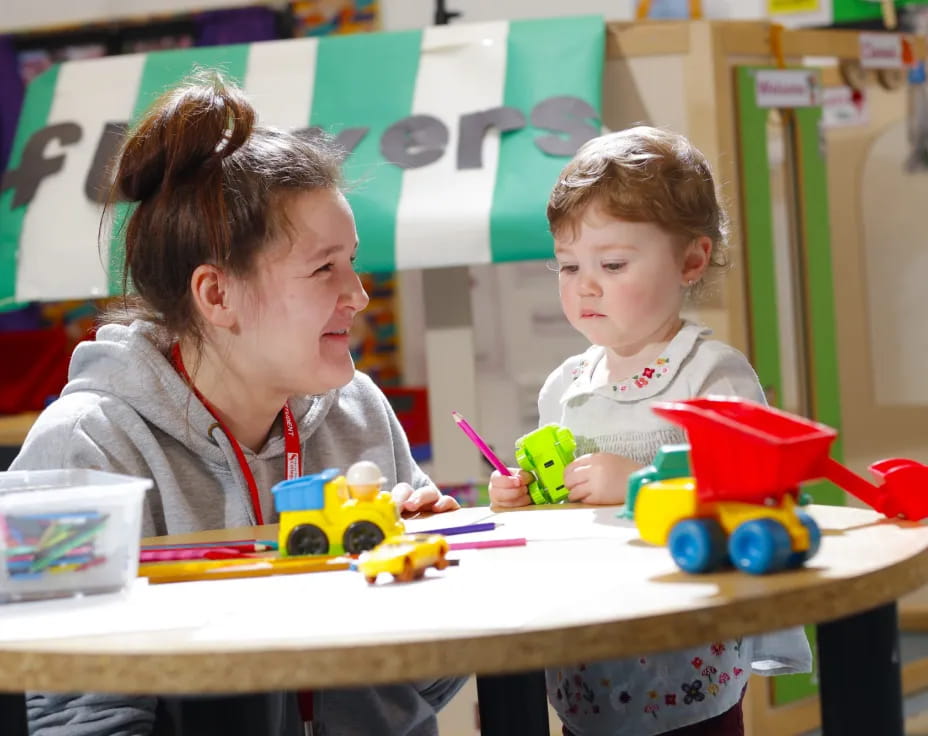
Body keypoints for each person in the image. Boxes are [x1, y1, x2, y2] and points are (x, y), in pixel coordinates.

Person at [11, 72, 463, 736]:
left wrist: (424, 578)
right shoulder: (83, 448)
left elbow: (421, 684)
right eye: (324, 268)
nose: (359, 296)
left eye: (353, 263)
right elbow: (76, 713)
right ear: (216, 296)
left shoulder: (357, 407)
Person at [488, 126, 812, 735]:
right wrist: (525, 498)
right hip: (588, 649)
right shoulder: (565, 386)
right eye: (567, 266)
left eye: (611, 264)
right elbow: (559, 512)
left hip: (685, 654)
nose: (584, 285)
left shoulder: (711, 374)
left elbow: (754, 493)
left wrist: (639, 482)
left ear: (690, 260)